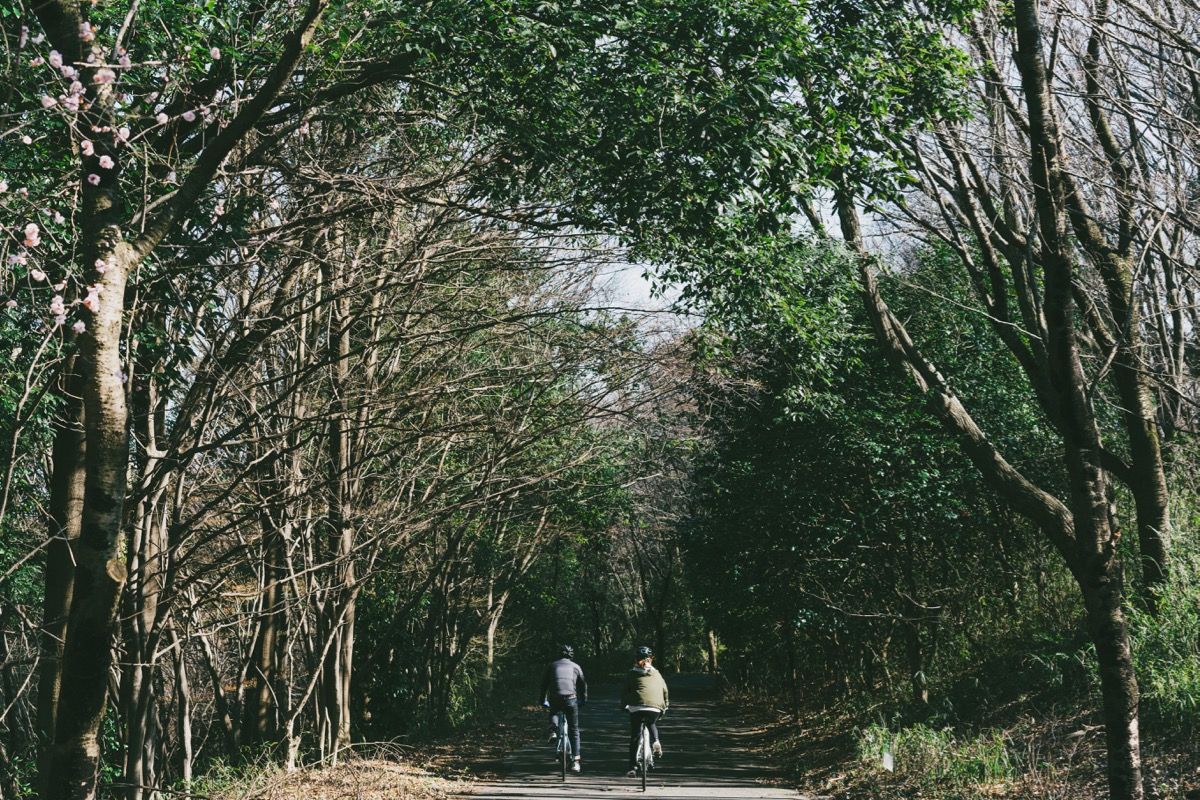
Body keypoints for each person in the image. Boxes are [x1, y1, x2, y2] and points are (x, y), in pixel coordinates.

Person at [620, 645, 668, 778]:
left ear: (636, 659)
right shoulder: (657, 673)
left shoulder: (631, 673)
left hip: (636, 707)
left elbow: (624, 692)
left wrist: (623, 705)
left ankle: (632, 768)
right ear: (651, 659)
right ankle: (656, 741)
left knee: (635, 736)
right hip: (655, 707)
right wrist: (665, 706)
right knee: (651, 721)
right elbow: (665, 691)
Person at [539, 644, 587, 773]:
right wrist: (583, 699)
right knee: (574, 729)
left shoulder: (552, 665)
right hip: (571, 699)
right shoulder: (576, 666)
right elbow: (582, 685)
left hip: (555, 698)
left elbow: (544, 684)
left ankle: (553, 729)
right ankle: (575, 761)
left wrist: (542, 700)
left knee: (554, 711)